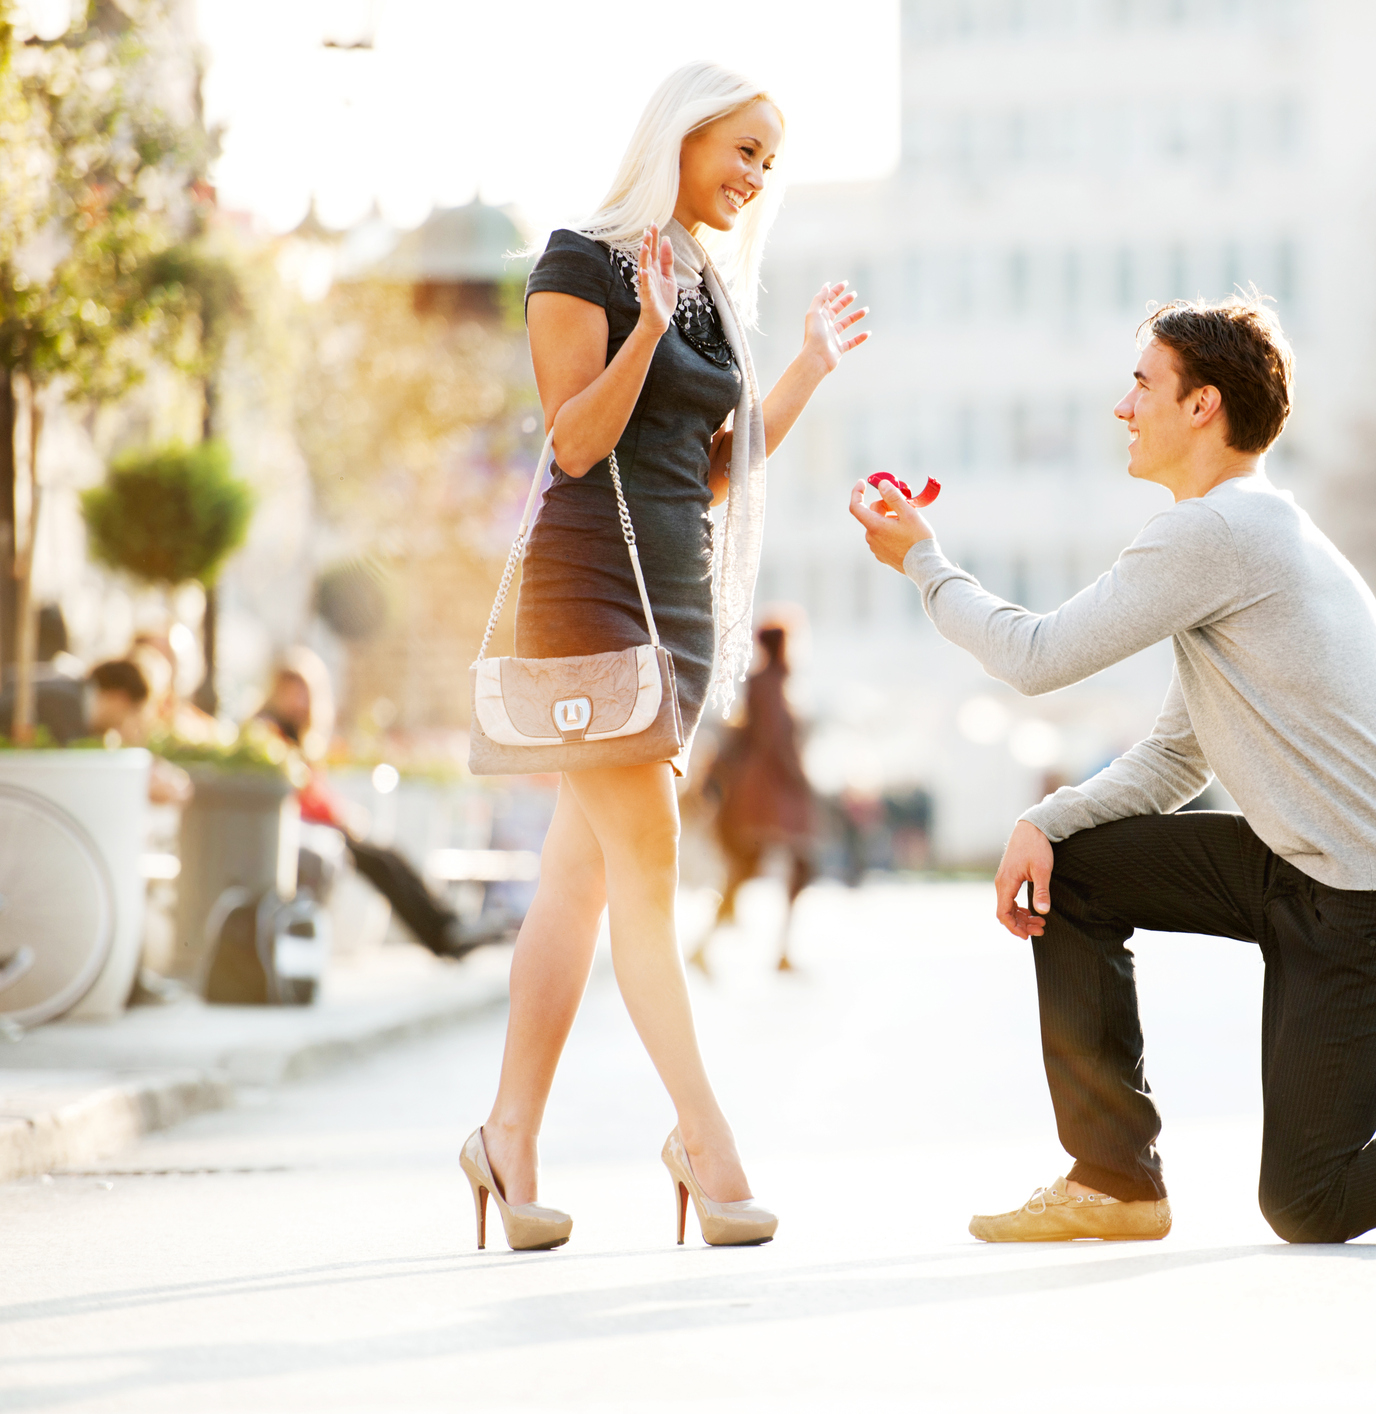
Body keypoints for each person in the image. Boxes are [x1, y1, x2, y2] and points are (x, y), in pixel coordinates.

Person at [849, 295, 1376, 1246]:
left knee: (1308, 1200)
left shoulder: (1216, 532)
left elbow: (1036, 658)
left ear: (1202, 406)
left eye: (1141, 384)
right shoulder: (1240, 535)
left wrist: (925, 564)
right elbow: (1174, 756)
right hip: (1307, 867)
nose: (1123, 408)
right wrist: (1048, 822)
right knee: (1070, 871)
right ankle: (1114, 1182)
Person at [463, 61, 869, 1253]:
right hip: (590, 598)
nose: (755, 177)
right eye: (742, 149)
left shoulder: (706, 287)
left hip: (678, 612)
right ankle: (705, 1137)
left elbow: (722, 467)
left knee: (580, 884)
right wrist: (641, 328)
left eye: (769, 162)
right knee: (647, 867)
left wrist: (801, 367)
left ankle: (507, 1137)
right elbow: (577, 439)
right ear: (681, 138)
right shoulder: (584, 261)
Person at [251, 652, 509, 960]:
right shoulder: (269, 731)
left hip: (319, 828)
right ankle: (444, 935)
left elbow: (313, 789)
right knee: (382, 863)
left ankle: (448, 928)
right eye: (292, 690)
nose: (299, 699)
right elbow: (297, 793)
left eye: (304, 691)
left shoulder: (296, 735)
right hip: (300, 831)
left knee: (389, 856)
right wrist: (340, 818)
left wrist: (342, 815)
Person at [698, 622, 816, 973]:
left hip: (763, 791)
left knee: (752, 869)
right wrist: (802, 781)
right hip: (771, 793)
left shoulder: (765, 682)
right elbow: (776, 741)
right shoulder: (771, 683)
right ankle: (777, 951)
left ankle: (708, 947)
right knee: (793, 866)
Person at [84, 658, 192, 805]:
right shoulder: (70, 708)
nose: (123, 724)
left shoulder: (86, 718)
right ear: (121, 699)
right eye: (133, 713)